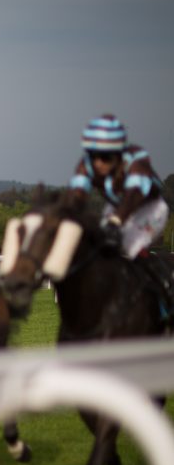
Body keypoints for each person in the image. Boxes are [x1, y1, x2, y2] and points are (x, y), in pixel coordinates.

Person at [64, 114, 171, 315]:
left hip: (149, 208)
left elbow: (132, 196)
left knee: (128, 246)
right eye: (94, 155)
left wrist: (116, 222)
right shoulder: (86, 165)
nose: (98, 163)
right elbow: (76, 196)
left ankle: (164, 296)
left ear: (118, 154)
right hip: (116, 206)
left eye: (105, 157)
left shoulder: (137, 160)